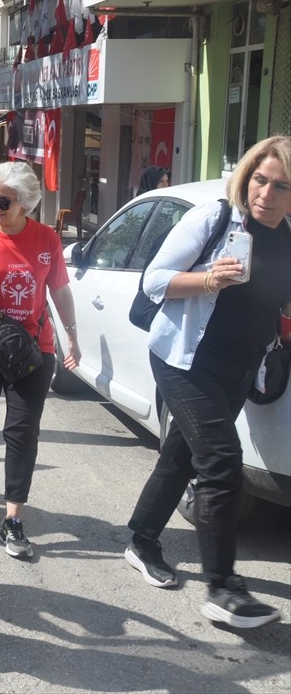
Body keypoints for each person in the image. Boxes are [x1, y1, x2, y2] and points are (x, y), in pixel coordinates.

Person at [124, 135, 290, 628]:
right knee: (220, 462)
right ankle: (223, 588)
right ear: (247, 177)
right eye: (260, 179)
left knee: (180, 455)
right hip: (184, 359)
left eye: (282, 185)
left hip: (241, 367)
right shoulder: (213, 220)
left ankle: (141, 539)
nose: (266, 193)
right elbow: (154, 280)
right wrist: (209, 280)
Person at [0, 161, 80, 559]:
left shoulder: (46, 240)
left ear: (24, 203)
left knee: (22, 432)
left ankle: (13, 518)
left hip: (32, 349)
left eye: (2, 201)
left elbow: (59, 291)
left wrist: (71, 336)